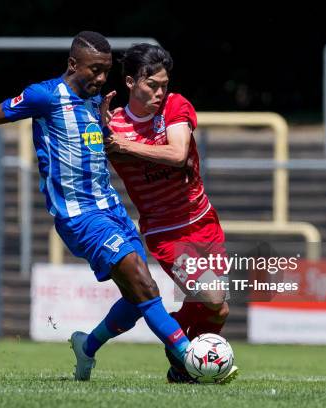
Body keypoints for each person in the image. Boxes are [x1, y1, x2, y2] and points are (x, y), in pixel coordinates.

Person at [0, 31, 190, 382]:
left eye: (106, 71)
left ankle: (87, 346)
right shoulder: (44, 96)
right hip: (80, 217)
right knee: (143, 284)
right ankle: (190, 357)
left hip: (112, 209)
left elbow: (98, 147)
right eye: (94, 70)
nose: (100, 78)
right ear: (73, 64)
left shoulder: (97, 101)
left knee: (139, 298)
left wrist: (107, 129)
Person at [104, 43, 238, 383]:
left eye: (165, 84)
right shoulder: (112, 126)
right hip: (166, 232)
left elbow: (178, 154)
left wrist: (124, 146)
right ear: (131, 82)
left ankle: (182, 365)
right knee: (213, 295)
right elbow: (90, 148)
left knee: (219, 307)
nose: (161, 92)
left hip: (204, 221)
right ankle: (177, 340)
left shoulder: (175, 106)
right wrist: (97, 133)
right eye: (153, 85)